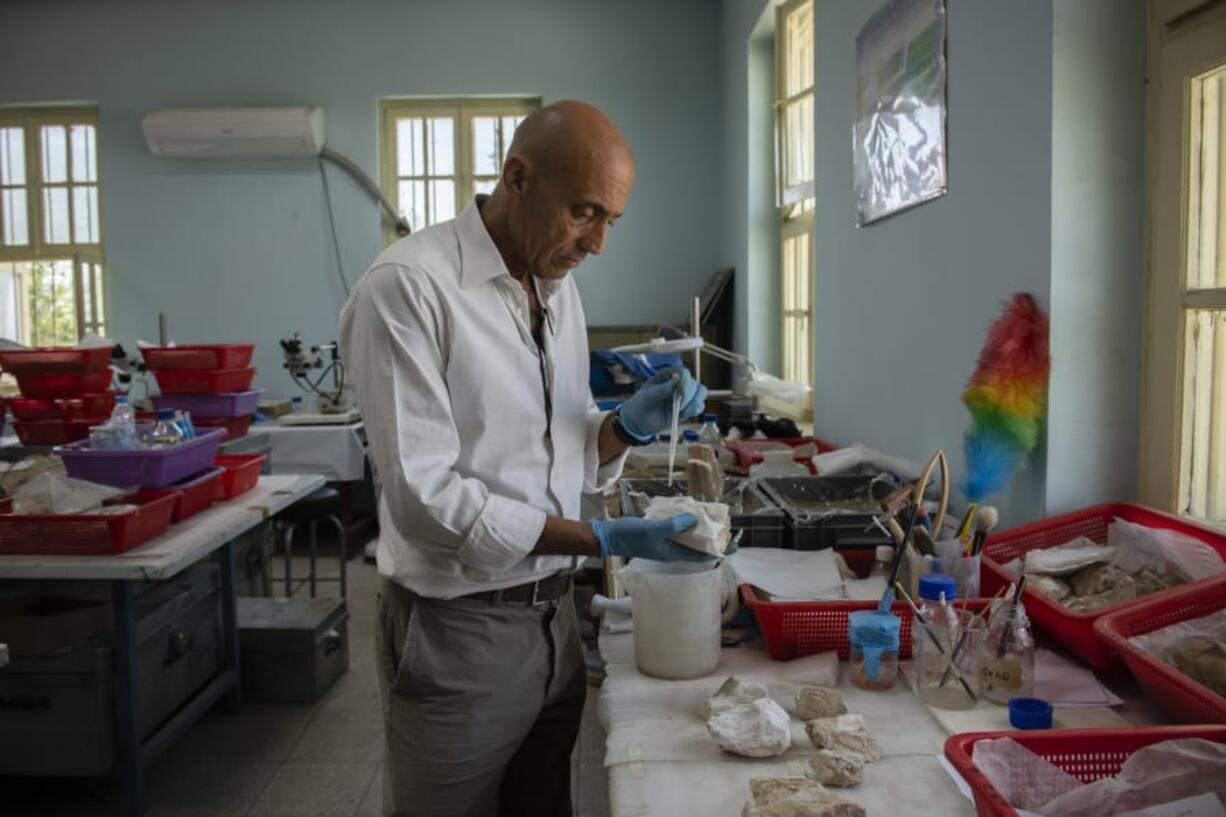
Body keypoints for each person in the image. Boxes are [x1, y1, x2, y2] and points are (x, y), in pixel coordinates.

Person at [339, 99, 710, 817]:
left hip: (555, 623)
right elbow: (425, 499)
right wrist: (598, 538)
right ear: (517, 177)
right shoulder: (410, 288)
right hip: (459, 630)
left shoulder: (557, 286)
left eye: (612, 220)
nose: (597, 242)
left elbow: (557, 445)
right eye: (584, 212)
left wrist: (624, 429)